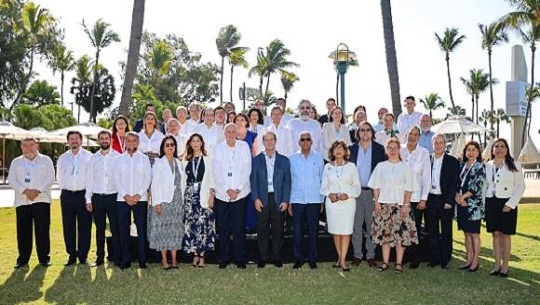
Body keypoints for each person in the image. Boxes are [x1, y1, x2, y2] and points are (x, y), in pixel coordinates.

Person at [368, 137, 418, 274]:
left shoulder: (406, 167)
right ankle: (385, 263)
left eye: (395, 148)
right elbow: (376, 186)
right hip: (384, 206)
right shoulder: (380, 166)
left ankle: (398, 263)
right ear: (386, 150)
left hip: (400, 207)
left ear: (399, 149)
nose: (393, 150)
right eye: (390, 148)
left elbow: (409, 188)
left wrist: (406, 205)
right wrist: (377, 202)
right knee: (385, 237)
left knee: (400, 237)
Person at [8, 138, 55, 268]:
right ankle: (23, 259)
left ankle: (44, 258)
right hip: (22, 200)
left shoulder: (46, 160)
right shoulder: (16, 162)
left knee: (43, 230)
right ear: (21, 147)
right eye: (25, 146)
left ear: (37, 146)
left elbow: (50, 178)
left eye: (31, 145)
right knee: (23, 231)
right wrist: (26, 191)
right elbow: (12, 180)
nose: (28, 148)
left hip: (42, 199)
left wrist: (37, 191)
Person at [212, 123, 252, 269]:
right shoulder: (218, 148)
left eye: (233, 131)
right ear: (224, 133)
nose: (230, 133)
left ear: (237, 133)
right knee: (222, 227)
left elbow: (247, 169)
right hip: (222, 194)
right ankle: (224, 258)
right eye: (228, 131)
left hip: (241, 194)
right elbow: (216, 171)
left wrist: (237, 189)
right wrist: (227, 189)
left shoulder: (243, 147)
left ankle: (240, 258)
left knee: (239, 226)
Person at [348, 122, 387, 268]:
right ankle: (357, 255)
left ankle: (371, 255)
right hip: (356, 193)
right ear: (358, 133)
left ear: (372, 132)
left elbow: (383, 173)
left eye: (368, 130)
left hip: (372, 193)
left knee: (372, 225)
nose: (365, 133)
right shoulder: (351, 149)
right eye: (362, 130)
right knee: (356, 226)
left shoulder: (379, 149)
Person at [485, 138, 525, 277]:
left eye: (502, 146)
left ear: (507, 150)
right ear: (493, 149)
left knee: (505, 235)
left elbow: (521, 186)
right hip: (491, 202)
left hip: (507, 203)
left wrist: (510, 204)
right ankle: (497, 264)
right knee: (495, 234)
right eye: (496, 146)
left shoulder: (515, 165)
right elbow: (485, 185)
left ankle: (505, 265)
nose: (499, 149)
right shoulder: (488, 165)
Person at [251, 131, 291, 268]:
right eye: (266, 140)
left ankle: (276, 257)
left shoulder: (284, 160)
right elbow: (253, 181)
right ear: (263, 142)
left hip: (278, 198)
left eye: (271, 139)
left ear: (275, 141)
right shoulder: (257, 160)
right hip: (262, 198)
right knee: (262, 229)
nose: (269, 142)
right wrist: (255, 198)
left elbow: (287, 182)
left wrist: (286, 200)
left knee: (278, 229)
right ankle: (263, 257)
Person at [321, 140, 361, 271]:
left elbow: (357, 187)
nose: (338, 151)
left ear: (345, 151)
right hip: (332, 204)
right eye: (335, 148)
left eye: (341, 148)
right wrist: (330, 194)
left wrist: (348, 194)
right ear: (332, 151)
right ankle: (340, 257)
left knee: (346, 231)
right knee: (336, 232)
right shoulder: (327, 167)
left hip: (348, 204)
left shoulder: (352, 167)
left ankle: (343, 260)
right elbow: (323, 188)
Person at [115, 132, 152, 269]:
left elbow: (147, 178)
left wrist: (139, 195)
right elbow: (116, 179)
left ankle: (143, 259)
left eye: (134, 141)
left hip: (140, 200)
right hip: (122, 200)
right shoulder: (119, 159)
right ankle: (126, 259)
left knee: (142, 230)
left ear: (138, 142)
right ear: (125, 142)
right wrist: (125, 195)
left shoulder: (144, 159)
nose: (131, 143)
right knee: (123, 230)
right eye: (128, 141)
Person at [288, 131, 324, 269]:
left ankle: (312, 258)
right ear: (299, 142)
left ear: (311, 141)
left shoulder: (318, 158)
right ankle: (298, 258)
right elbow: (290, 181)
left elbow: (322, 180)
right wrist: (290, 201)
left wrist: (321, 200)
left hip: (314, 200)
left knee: (313, 231)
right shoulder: (292, 159)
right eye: (302, 139)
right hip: (297, 200)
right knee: (297, 231)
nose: (305, 142)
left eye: (308, 139)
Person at [85, 130, 121, 267]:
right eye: (102, 138)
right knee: (99, 229)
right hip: (98, 198)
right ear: (99, 141)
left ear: (110, 140)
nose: (104, 140)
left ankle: (117, 258)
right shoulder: (93, 159)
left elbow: (120, 178)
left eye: (107, 138)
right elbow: (89, 180)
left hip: (113, 197)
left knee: (114, 228)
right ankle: (100, 257)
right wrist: (88, 199)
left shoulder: (118, 157)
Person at [149, 136, 186, 270]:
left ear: (175, 147)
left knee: (175, 231)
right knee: (163, 231)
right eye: (167, 145)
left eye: (172, 145)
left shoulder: (178, 162)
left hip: (176, 201)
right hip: (163, 201)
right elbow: (155, 184)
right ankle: (164, 260)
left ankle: (174, 260)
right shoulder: (159, 163)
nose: (170, 147)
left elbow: (182, 182)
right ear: (163, 148)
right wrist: (157, 203)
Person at [57, 130, 93, 266]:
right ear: (68, 141)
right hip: (67, 195)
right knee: (68, 226)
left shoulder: (89, 157)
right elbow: (59, 177)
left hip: (83, 195)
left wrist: (88, 198)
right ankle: (71, 255)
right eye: (71, 139)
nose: (74, 141)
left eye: (76, 138)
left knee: (85, 226)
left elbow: (91, 179)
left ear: (81, 140)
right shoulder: (62, 158)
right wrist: (66, 190)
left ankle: (83, 255)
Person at [182, 133, 216, 268]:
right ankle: (195, 254)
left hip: (203, 194)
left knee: (203, 226)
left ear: (202, 143)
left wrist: (212, 195)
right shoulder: (185, 159)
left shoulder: (208, 158)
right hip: (190, 196)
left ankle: (202, 256)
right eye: (193, 141)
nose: (195, 143)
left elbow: (212, 178)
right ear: (190, 143)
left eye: (198, 141)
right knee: (192, 226)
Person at [426, 133, 459, 269]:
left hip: (445, 200)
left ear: (445, 145)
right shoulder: (427, 160)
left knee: (446, 230)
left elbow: (454, 183)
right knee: (432, 230)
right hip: (431, 199)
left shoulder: (452, 161)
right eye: (436, 143)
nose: (438, 145)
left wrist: (450, 200)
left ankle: (445, 258)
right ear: (432, 145)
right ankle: (434, 258)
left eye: (441, 143)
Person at [400, 126, 431, 269]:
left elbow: (426, 178)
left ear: (419, 137)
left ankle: (415, 257)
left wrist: (424, 198)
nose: (412, 137)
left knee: (415, 229)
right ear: (406, 135)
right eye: (410, 134)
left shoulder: (424, 153)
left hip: (416, 197)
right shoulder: (399, 149)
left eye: (416, 134)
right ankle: (403, 257)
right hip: (399, 197)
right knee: (401, 228)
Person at [455, 141, 485, 272]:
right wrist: (457, 197)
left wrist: (463, 197)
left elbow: (476, 185)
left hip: (473, 206)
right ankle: (468, 259)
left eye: (474, 150)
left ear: (478, 152)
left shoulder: (480, 166)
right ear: (465, 152)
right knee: (466, 233)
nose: (471, 152)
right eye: (469, 150)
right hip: (462, 205)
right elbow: (456, 182)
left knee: (474, 234)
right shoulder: (462, 165)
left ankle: (475, 261)